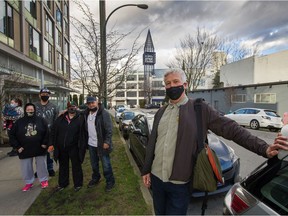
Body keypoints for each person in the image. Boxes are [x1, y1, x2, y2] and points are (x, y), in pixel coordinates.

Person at [141, 68, 288, 215]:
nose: (172, 86)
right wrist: (146, 169)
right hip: (157, 178)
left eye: (175, 82)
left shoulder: (199, 108)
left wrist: (264, 148)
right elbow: (153, 142)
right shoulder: (161, 112)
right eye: (168, 83)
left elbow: (231, 129)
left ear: (185, 84)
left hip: (180, 183)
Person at [9, 103, 49, 191]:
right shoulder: (19, 122)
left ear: (34, 110)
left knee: (42, 165)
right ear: (25, 110)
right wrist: (17, 146)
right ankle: (29, 182)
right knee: (26, 167)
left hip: (40, 147)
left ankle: (43, 180)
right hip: (24, 149)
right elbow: (11, 135)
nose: (30, 111)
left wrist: (45, 143)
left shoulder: (41, 120)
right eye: (28, 110)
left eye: (31, 110)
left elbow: (47, 132)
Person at [81, 96, 115, 192]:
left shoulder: (103, 114)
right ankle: (96, 178)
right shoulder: (86, 113)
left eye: (93, 103)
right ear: (87, 105)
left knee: (106, 165)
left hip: (102, 144)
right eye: (89, 103)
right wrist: (66, 111)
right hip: (91, 144)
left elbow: (109, 129)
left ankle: (110, 181)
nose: (91, 105)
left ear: (97, 102)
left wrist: (107, 142)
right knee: (94, 164)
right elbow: (75, 112)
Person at [51, 101, 86, 192]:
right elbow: (54, 130)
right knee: (63, 166)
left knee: (76, 166)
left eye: (74, 107)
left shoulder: (81, 118)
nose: (72, 108)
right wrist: (52, 144)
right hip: (62, 147)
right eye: (70, 107)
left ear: (77, 107)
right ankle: (63, 183)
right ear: (67, 108)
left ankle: (78, 184)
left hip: (74, 147)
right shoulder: (61, 118)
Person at [34, 88, 58, 177]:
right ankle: (39, 169)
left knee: (49, 151)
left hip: (49, 133)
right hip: (37, 133)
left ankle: (50, 168)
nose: (45, 95)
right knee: (38, 152)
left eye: (47, 94)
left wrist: (54, 132)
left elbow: (56, 121)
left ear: (49, 95)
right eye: (43, 94)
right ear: (39, 95)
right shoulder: (34, 106)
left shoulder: (54, 107)